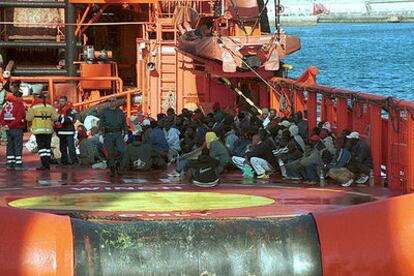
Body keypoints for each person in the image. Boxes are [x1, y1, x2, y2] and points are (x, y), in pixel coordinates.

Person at [26, 93, 59, 170]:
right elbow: (55, 117)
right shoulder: (50, 107)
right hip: (48, 130)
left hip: (38, 130)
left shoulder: (34, 107)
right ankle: (47, 164)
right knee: (47, 148)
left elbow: (28, 118)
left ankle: (44, 164)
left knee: (42, 148)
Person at [99, 97, 128, 177]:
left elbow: (124, 124)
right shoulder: (104, 112)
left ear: (116, 102)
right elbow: (101, 124)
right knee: (110, 152)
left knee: (121, 150)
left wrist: (126, 133)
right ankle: (112, 169)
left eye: (113, 101)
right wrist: (101, 134)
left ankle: (118, 166)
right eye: (110, 101)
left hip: (118, 133)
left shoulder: (120, 112)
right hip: (108, 134)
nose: (111, 102)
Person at [0, 89, 26, 170]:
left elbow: (1, 116)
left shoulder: (6, 104)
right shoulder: (19, 104)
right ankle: (18, 164)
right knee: (18, 145)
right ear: (19, 96)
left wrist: (6, 125)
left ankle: (10, 163)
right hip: (17, 128)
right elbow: (20, 117)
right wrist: (11, 125)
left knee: (10, 145)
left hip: (8, 128)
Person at [55, 96, 77, 165]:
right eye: (60, 101)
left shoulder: (69, 110)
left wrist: (61, 119)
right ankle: (64, 161)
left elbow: (70, 119)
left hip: (68, 131)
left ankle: (74, 160)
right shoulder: (59, 110)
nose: (61, 103)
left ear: (66, 102)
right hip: (61, 132)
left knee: (71, 147)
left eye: (62, 101)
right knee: (62, 148)